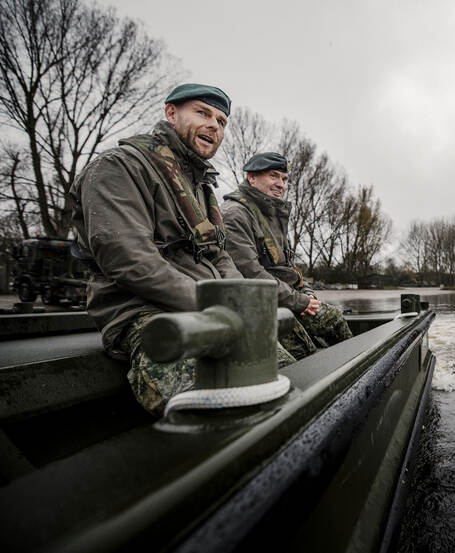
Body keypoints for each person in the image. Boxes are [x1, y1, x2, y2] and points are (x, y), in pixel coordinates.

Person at [70, 83, 295, 415]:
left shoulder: (200, 185)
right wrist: (217, 307)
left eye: (221, 121)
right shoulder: (118, 166)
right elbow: (127, 257)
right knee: (220, 411)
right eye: (202, 113)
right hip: (144, 311)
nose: (213, 126)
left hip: (211, 313)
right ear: (171, 113)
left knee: (288, 377)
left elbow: (219, 255)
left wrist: (242, 303)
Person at [221, 152, 352, 358]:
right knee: (304, 353)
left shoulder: (272, 214)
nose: (281, 184)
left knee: (334, 320)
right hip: (261, 304)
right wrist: (298, 301)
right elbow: (251, 275)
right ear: (251, 177)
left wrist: (308, 294)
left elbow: (290, 268)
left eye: (284, 179)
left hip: (285, 298)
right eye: (273, 176)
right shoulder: (235, 214)